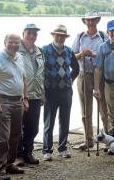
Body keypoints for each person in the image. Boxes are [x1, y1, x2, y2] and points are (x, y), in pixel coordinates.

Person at [0, 34, 28, 180]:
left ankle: (9, 164)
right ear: (5, 42)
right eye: (11, 42)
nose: (14, 45)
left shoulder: (20, 57)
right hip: (3, 100)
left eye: (17, 42)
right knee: (3, 137)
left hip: (18, 101)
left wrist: (25, 98)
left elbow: (24, 78)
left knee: (15, 136)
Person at [72, 11, 109, 150]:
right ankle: (88, 140)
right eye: (88, 20)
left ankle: (107, 139)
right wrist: (82, 54)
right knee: (85, 110)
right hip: (84, 75)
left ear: (97, 21)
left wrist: (94, 54)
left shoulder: (104, 36)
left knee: (104, 109)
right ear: (85, 22)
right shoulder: (80, 36)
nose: (91, 22)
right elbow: (72, 56)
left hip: (100, 76)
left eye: (93, 20)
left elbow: (108, 54)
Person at [42, 24, 79, 161]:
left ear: (65, 37)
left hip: (66, 92)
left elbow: (76, 69)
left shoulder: (69, 51)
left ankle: (62, 148)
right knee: (49, 122)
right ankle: (47, 150)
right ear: (53, 35)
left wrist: (69, 81)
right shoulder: (44, 50)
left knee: (65, 121)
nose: (60, 38)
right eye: (57, 35)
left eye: (62, 36)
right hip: (50, 92)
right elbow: (39, 71)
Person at [16, 24, 44, 165]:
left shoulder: (39, 51)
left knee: (33, 127)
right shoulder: (16, 50)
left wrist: (43, 94)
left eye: (35, 33)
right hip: (20, 95)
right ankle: (18, 155)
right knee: (18, 126)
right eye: (29, 33)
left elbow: (41, 74)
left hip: (36, 95)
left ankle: (28, 152)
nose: (32, 36)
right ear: (23, 34)